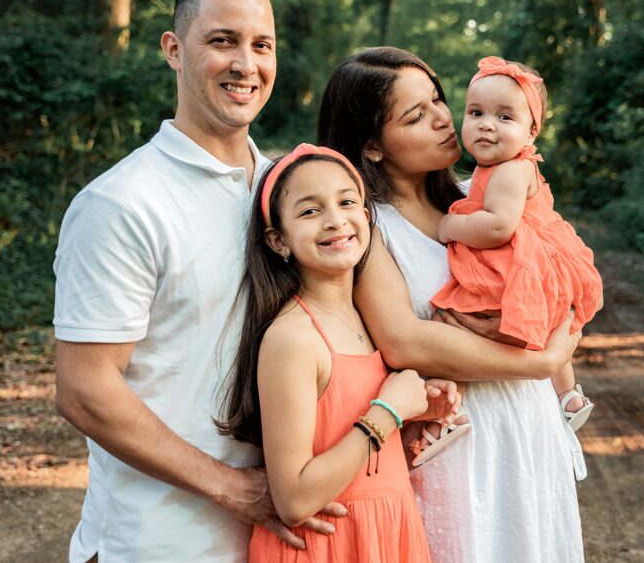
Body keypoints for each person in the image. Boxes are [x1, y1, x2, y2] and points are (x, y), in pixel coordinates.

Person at [53, 0, 343, 563]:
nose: (246, 64)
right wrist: (232, 487)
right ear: (174, 49)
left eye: (261, 45)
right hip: (157, 543)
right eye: (222, 41)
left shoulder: (285, 191)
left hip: (277, 542)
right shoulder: (121, 203)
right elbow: (85, 391)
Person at [318, 47, 587, 562]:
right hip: (458, 446)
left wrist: (558, 348)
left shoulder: (482, 200)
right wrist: (538, 362)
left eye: (439, 99)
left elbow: (563, 278)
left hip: (527, 426)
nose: (444, 118)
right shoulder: (368, 227)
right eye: (416, 115)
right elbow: (404, 339)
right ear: (372, 145)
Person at [219, 144, 462, 561]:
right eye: (310, 211)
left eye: (347, 202)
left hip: (386, 535)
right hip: (328, 545)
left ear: (367, 216)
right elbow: (294, 499)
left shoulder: (368, 323)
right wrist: (387, 411)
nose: (335, 220)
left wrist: (415, 408)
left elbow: (343, 428)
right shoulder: (293, 337)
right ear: (279, 241)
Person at [432, 56, 603, 431]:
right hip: (535, 259)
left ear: (531, 133)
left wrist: (451, 226)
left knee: (460, 320)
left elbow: (498, 228)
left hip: (518, 261)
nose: (487, 125)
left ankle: (448, 408)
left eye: (505, 117)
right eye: (476, 113)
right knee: (543, 324)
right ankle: (568, 395)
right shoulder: (496, 166)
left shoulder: (510, 170)